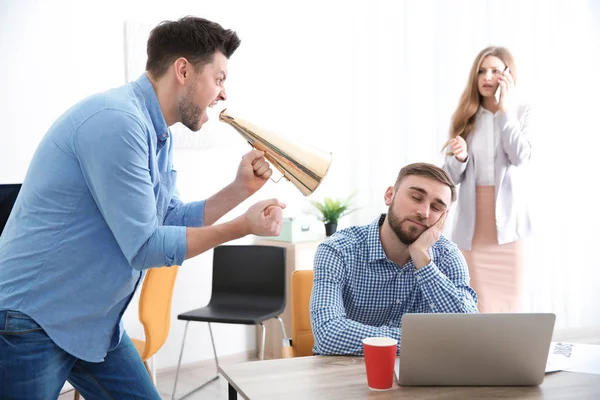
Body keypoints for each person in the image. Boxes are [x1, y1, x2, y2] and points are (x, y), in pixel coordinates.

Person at [0, 16, 285, 399]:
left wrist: (239, 189)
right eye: (218, 79)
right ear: (183, 70)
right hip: (34, 319)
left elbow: (167, 217)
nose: (223, 94)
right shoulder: (118, 122)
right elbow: (145, 246)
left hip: (92, 322)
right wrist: (240, 227)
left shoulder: (156, 134)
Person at [310, 163, 478, 356]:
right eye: (416, 198)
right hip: (341, 372)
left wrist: (422, 258)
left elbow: (469, 331)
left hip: (420, 378)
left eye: (436, 207)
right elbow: (328, 334)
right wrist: (425, 341)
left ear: (443, 218)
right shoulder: (338, 249)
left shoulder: (447, 255)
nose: (424, 212)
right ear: (390, 195)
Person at [442, 46, 532, 313]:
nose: (487, 77)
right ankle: (479, 355)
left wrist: (504, 111)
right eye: (481, 71)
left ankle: (507, 355)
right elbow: (449, 178)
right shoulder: (466, 115)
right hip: (474, 224)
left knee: (510, 305)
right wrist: (459, 157)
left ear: (508, 74)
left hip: (508, 226)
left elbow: (520, 157)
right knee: (476, 303)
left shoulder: (522, 111)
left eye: (495, 70)